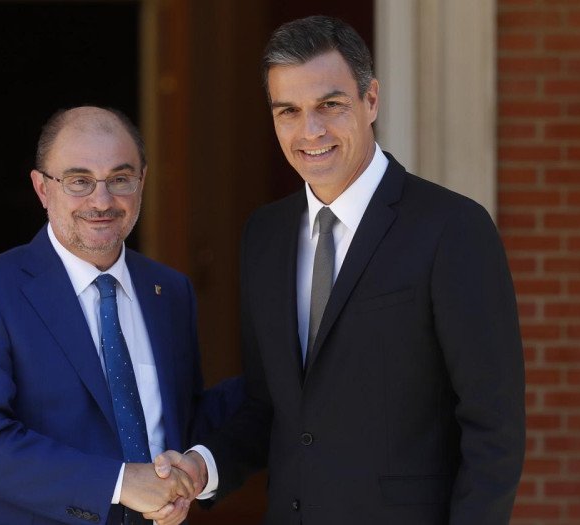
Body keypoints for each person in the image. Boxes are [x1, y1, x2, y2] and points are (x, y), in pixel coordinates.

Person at [151, 15, 525, 524]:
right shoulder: (265, 235)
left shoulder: (452, 229)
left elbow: (493, 427)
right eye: (289, 111)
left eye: (330, 105)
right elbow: (270, 407)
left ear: (371, 100)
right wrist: (202, 468)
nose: (311, 131)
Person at [0, 106, 239, 525]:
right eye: (79, 181)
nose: (102, 201)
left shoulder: (170, 291)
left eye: (120, 179)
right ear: (42, 188)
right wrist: (118, 482)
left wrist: (195, 465)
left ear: (142, 182)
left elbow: (183, 417)